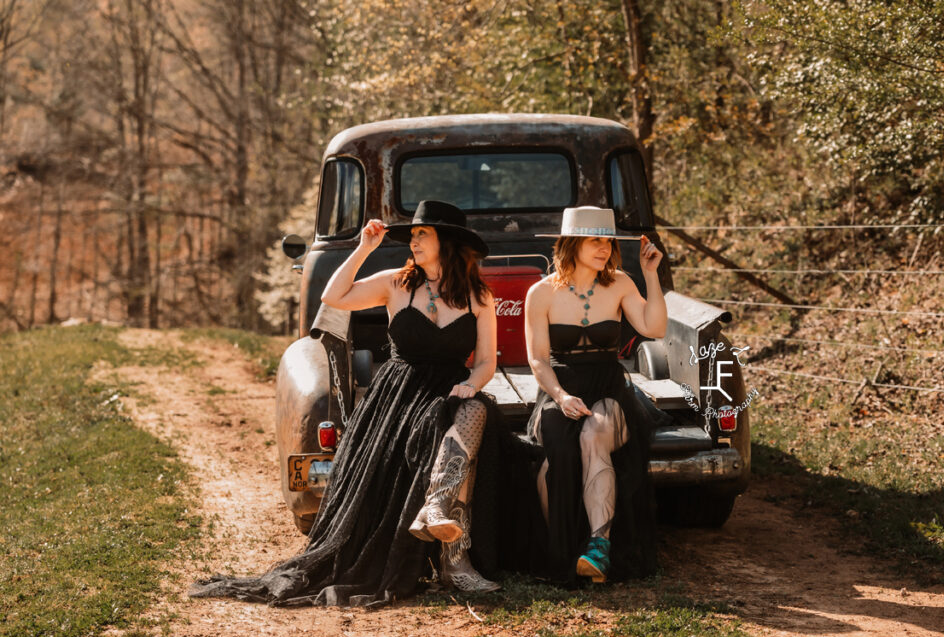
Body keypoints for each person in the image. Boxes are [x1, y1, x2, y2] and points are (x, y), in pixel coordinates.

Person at [191, 200, 521, 607]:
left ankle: (451, 547)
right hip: (399, 395)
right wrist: (364, 248)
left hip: (451, 391)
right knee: (451, 422)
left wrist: (472, 383)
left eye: (423, 234)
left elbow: (487, 361)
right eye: (413, 235)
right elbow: (335, 297)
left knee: (474, 410)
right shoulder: (395, 283)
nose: (414, 241)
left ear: (447, 242)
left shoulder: (478, 295)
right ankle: (450, 552)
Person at [524, 205, 666, 584]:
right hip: (561, 388)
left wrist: (650, 276)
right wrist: (559, 397)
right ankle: (559, 551)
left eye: (608, 240)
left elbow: (654, 327)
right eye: (594, 240)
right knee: (557, 446)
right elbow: (538, 360)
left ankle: (598, 547)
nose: (604, 247)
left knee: (594, 433)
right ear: (572, 244)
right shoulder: (540, 293)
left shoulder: (619, 283)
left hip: (608, 386)